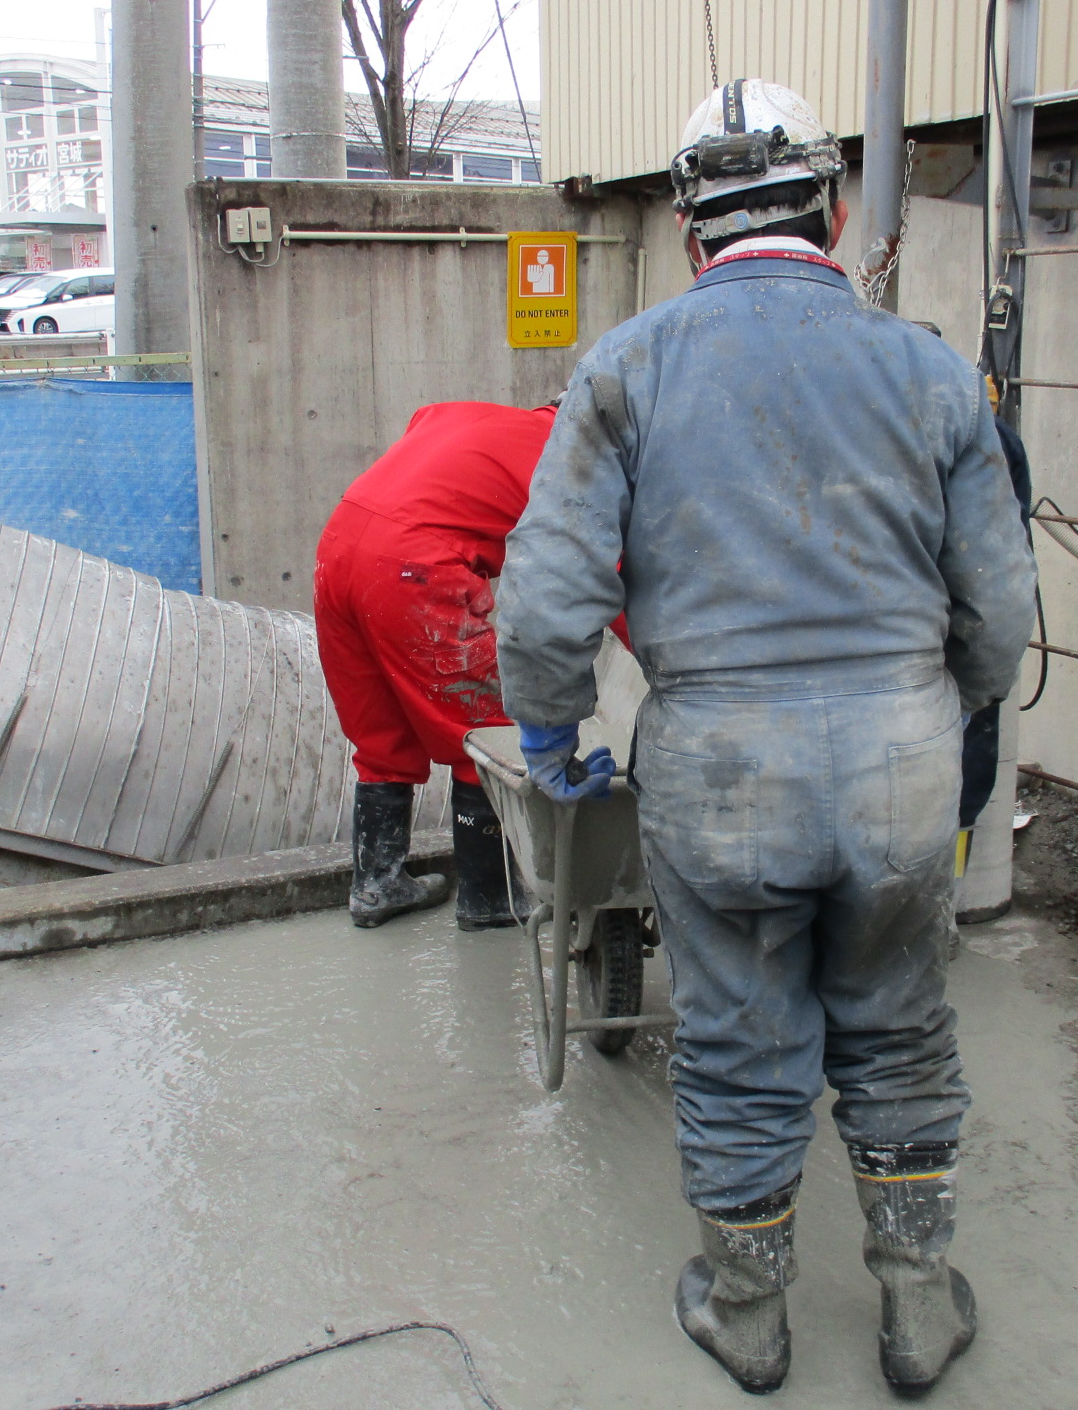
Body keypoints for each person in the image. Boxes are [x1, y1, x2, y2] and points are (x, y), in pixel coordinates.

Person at [494, 79, 1035, 1394]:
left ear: (691, 237)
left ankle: (746, 1313)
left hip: (720, 771)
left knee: (739, 1043)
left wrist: (553, 732)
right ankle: (917, 1302)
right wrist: (951, 714)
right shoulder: (931, 372)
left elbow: (547, 599)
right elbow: (1000, 607)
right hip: (900, 763)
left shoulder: (626, 367)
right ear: (833, 216)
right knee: (899, 1025)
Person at [314, 399, 558, 931]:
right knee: (484, 731)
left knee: (382, 732)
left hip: (339, 549)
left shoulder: (454, 414)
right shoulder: (568, 455)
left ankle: (376, 884)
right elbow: (608, 570)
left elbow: (421, 441)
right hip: (414, 569)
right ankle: (489, 898)